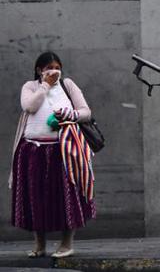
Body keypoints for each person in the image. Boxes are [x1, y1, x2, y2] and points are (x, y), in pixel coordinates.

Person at [10, 52, 96, 258]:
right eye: (49, 67)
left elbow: (86, 112)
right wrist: (45, 86)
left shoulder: (68, 85)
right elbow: (30, 106)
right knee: (35, 198)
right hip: (33, 151)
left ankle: (66, 244)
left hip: (64, 150)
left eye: (57, 67)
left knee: (66, 196)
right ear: (40, 70)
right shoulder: (30, 87)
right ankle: (39, 245)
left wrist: (70, 115)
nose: (54, 71)